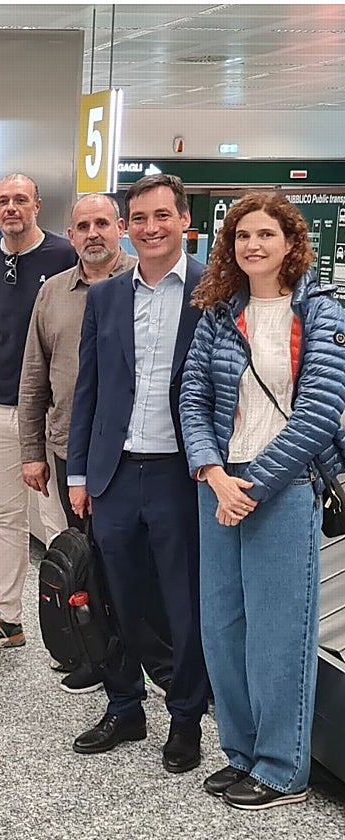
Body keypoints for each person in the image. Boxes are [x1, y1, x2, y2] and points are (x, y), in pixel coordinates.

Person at [181, 192, 345, 809]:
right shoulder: (219, 313)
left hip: (282, 485)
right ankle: (241, 752)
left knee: (279, 633)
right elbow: (191, 397)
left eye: (266, 235)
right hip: (220, 484)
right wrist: (214, 472)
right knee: (222, 628)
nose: (253, 245)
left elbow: (320, 413)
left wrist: (252, 485)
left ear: (290, 243)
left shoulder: (323, 313)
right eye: (242, 235)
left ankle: (281, 768)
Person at [68, 173, 211, 775]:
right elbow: (89, 390)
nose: (151, 228)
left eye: (163, 216)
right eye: (141, 218)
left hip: (183, 474)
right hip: (115, 472)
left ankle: (185, 717)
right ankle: (125, 706)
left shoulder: (214, 291)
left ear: (184, 220)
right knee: (117, 598)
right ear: (127, 226)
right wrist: (77, 472)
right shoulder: (106, 297)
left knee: (182, 602)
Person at [18, 192, 174, 696]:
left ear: (121, 227)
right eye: (82, 225)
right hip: (74, 454)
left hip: (146, 457)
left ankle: (161, 663)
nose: (93, 234)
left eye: (103, 223)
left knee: (144, 569)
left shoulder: (147, 286)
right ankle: (104, 658)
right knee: (93, 565)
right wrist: (31, 451)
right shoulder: (54, 292)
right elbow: (33, 377)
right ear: (70, 231)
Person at [0, 173, 76, 654]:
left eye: (20, 200)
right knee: (7, 515)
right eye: (3, 201)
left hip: (52, 415)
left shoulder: (65, 255)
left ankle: (77, 622)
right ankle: (6, 618)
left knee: (59, 520)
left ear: (37, 206)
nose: (11, 208)